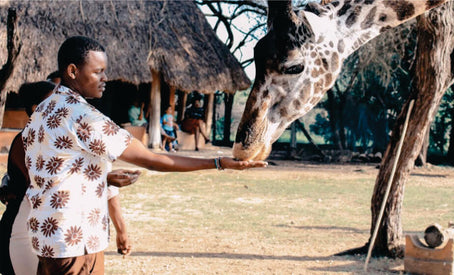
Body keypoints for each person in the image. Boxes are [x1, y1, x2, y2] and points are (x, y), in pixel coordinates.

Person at [21, 36, 266, 274]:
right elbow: (152, 159)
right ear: (73, 71)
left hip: (48, 235)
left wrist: (102, 178)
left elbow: (56, 170)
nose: (105, 78)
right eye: (98, 71)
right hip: (76, 240)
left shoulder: (42, 111)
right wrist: (218, 162)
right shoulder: (82, 116)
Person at [0, 81, 139, 275]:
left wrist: (121, 229)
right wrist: (103, 178)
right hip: (27, 231)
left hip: (72, 233)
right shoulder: (29, 140)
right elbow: (50, 181)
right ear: (36, 108)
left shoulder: (78, 135)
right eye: (53, 99)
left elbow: (106, 192)